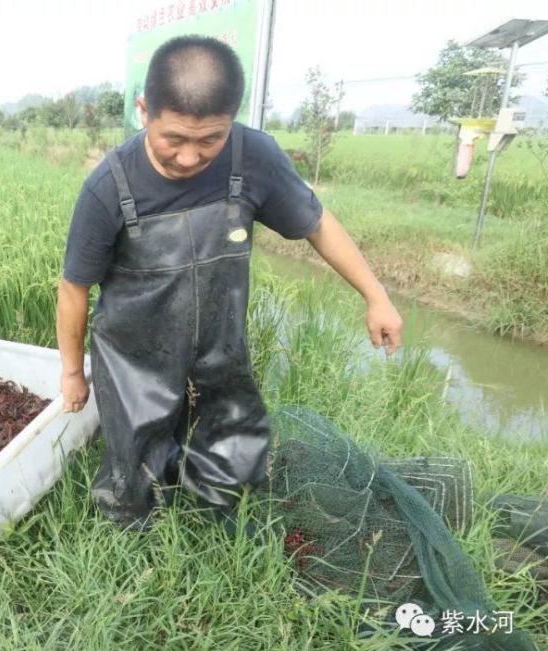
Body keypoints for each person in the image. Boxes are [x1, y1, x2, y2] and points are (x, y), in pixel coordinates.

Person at [56, 36, 403, 529]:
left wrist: (377, 295)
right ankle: (133, 545)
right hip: (134, 353)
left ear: (233, 119)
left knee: (232, 450)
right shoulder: (108, 186)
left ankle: (218, 532)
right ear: (143, 110)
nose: (190, 157)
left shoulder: (254, 156)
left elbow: (317, 224)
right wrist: (73, 371)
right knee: (135, 470)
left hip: (219, 342)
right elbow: (74, 288)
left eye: (210, 139)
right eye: (174, 138)